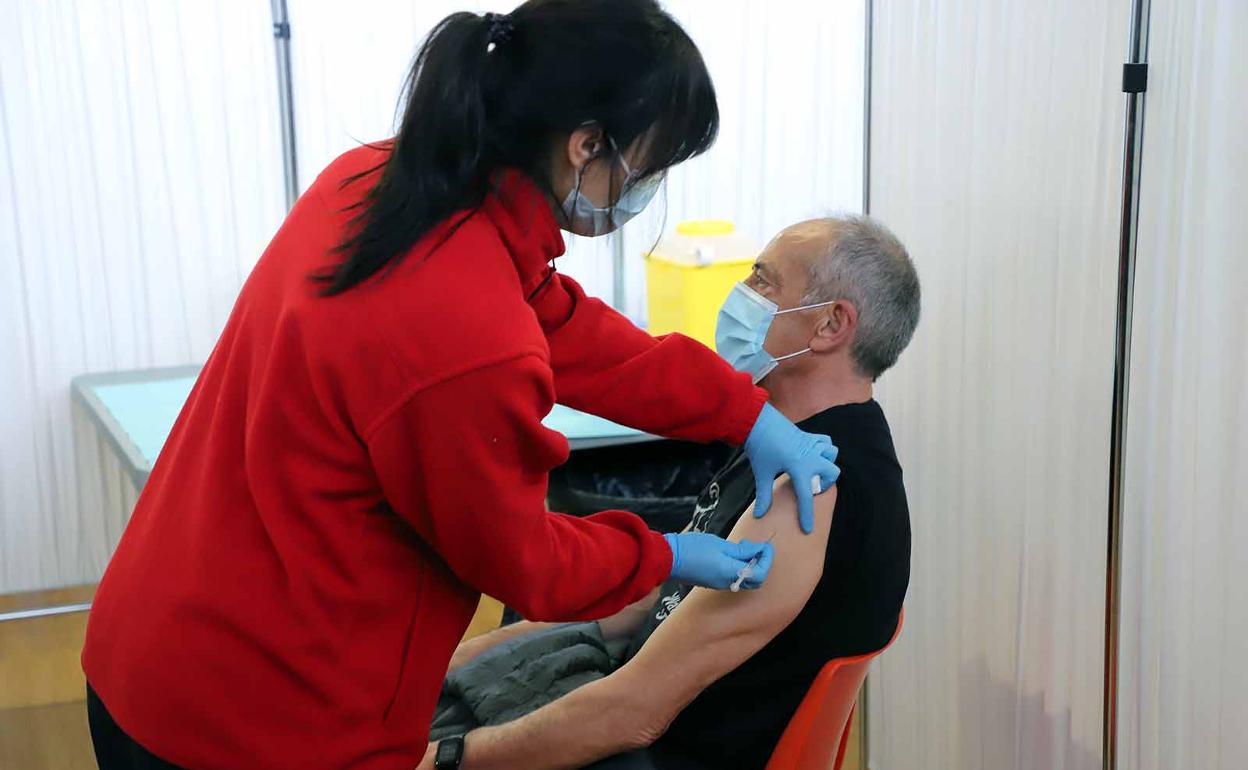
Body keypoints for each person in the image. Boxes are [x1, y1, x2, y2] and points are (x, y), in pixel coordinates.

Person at [81, 3, 841, 770]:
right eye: (652, 164)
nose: (653, 187)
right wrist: (667, 554)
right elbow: (527, 564)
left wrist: (743, 412)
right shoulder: (467, 337)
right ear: (586, 145)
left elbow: (565, 326)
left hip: (159, 634)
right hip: (257, 717)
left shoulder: (382, 179)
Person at [417, 215, 919, 770]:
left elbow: (634, 711)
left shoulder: (810, 488)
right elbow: (657, 599)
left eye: (763, 280)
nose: (741, 294)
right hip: (641, 706)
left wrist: (446, 760)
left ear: (829, 325)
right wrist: (462, 660)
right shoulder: (782, 437)